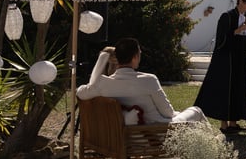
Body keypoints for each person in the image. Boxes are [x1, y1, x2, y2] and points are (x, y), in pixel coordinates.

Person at [78, 37, 207, 124]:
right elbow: (168, 113)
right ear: (135, 57)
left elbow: (80, 92)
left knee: (184, 114)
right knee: (196, 111)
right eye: (139, 53)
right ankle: (215, 147)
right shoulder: (149, 80)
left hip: (131, 136)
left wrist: (103, 57)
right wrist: (178, 114)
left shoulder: (102, 84)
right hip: (157, 134)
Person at [194, 0, 246, 133]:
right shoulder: (226, 16)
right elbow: (222, 39)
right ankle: (224, 125)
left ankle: (233, 123)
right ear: (241, 2)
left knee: (238, 89)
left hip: (240, 60)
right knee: (225, 91)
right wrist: (239, 30)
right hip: (227, 61)